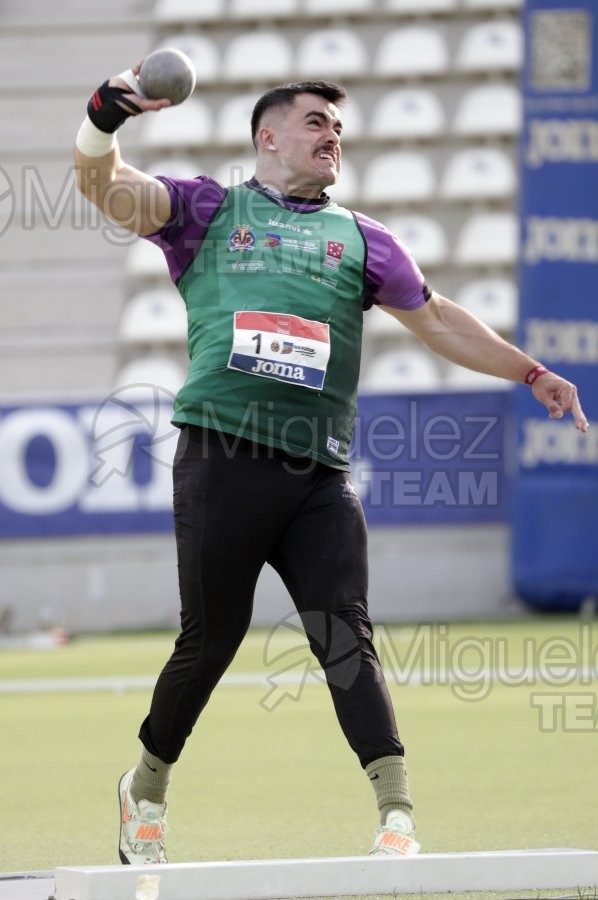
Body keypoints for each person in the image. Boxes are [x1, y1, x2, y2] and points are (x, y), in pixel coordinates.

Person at [75, 63, 588, 866]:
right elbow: (106, 188)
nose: (332, 138)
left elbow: (440, 320)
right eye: (316, 123)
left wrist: (530, 371)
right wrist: (103, 118)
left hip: (318, 472)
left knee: (344, 636)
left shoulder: (361, 236)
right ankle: (146, 785)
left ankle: (397, 814)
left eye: (339, 129)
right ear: (268, 136)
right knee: (211, 641)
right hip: (221, 452)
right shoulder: (209, 209)